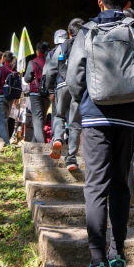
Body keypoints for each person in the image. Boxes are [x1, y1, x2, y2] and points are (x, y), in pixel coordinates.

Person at [67, 0, 134, 267]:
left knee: (95, 186)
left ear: (100, 2)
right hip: (130, 119)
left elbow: (74, 75)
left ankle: (97, 266)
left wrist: (87, 102)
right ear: (127, 4)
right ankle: (118, 259)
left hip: (95, 117)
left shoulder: (87, 30)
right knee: (122, 184)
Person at [48, 20, 85, 171]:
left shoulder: (62, 46)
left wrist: (50, 89)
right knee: (75, 123)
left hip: (62, 85)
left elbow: (51, 69)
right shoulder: (86, 45)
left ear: (69, 32)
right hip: (78, 87)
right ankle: (71, 159)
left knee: (59, 115)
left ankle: (57, 139)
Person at [23, 42, 50, 143]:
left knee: (37, 119)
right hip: (47, 94)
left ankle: (41, 146)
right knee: (41, 119)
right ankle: (33, 145)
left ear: (37, 51)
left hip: (35, 93)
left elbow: (27, 79)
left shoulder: (33, 62)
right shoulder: (50, 62)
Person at [0, 51, 19, 145]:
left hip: (1, 97)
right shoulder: (14, 71)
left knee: (2, 120)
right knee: (1, 119)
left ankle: (6, 144)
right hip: (10, 98)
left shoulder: (1, 69)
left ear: (4, 58)